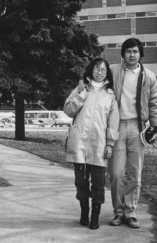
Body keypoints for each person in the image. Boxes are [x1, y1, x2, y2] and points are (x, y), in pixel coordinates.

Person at [108, 38, 157, 229]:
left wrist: (156, 127)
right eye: (128, 51)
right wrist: (83, 82)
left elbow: (154, 103)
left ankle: (130, 213)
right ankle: (117, 212)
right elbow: (95, 78)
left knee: (134, 174)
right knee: (115, 173)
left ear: (140, 54)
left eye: (135, 51)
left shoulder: (149, 76)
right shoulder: (113, 71)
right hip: (116, 127)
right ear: (123, 54)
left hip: (138, 129)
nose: (132, 55)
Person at [63, 58, 119, 230]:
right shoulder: (81, 88)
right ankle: (83, 212)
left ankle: (95, 215)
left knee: (98, 183)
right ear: (91, 70)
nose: (99, 72)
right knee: (80, 182)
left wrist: (110, 144)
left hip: (99, 145)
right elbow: (68, 110)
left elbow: (113, 121)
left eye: (103, 69)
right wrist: (81, 95)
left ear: (107, 72)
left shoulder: (110, 94)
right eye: (96, 68)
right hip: (79, 143)